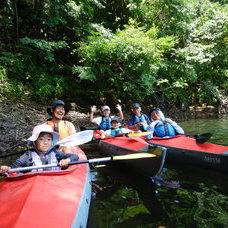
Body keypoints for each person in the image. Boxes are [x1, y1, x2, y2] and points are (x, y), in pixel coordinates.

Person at [0, 124, 78, 174]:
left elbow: (75, 157)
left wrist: (67, 160)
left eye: (48, 140)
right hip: (35, 185)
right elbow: (14, 167)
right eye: (41, 139)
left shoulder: (55, 152)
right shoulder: (28, 155)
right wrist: (6, 168)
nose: (45, 143)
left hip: (54, 183)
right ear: (34, 142)